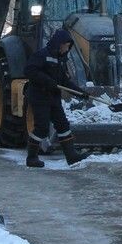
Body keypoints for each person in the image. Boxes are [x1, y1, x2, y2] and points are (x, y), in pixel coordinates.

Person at [25, 29, 89, 168]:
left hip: (53, 98)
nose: (67, 48)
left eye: (68, 46)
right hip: (39, 96)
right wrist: (47, 81)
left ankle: (71, 156)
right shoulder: (42, 55)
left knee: (63, 125)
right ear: (59, 44)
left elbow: (64, 81)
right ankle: (32, 157)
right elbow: (30, 70)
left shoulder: (61, 60)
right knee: (41, 128)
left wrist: (81, 93)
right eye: (66, 45)